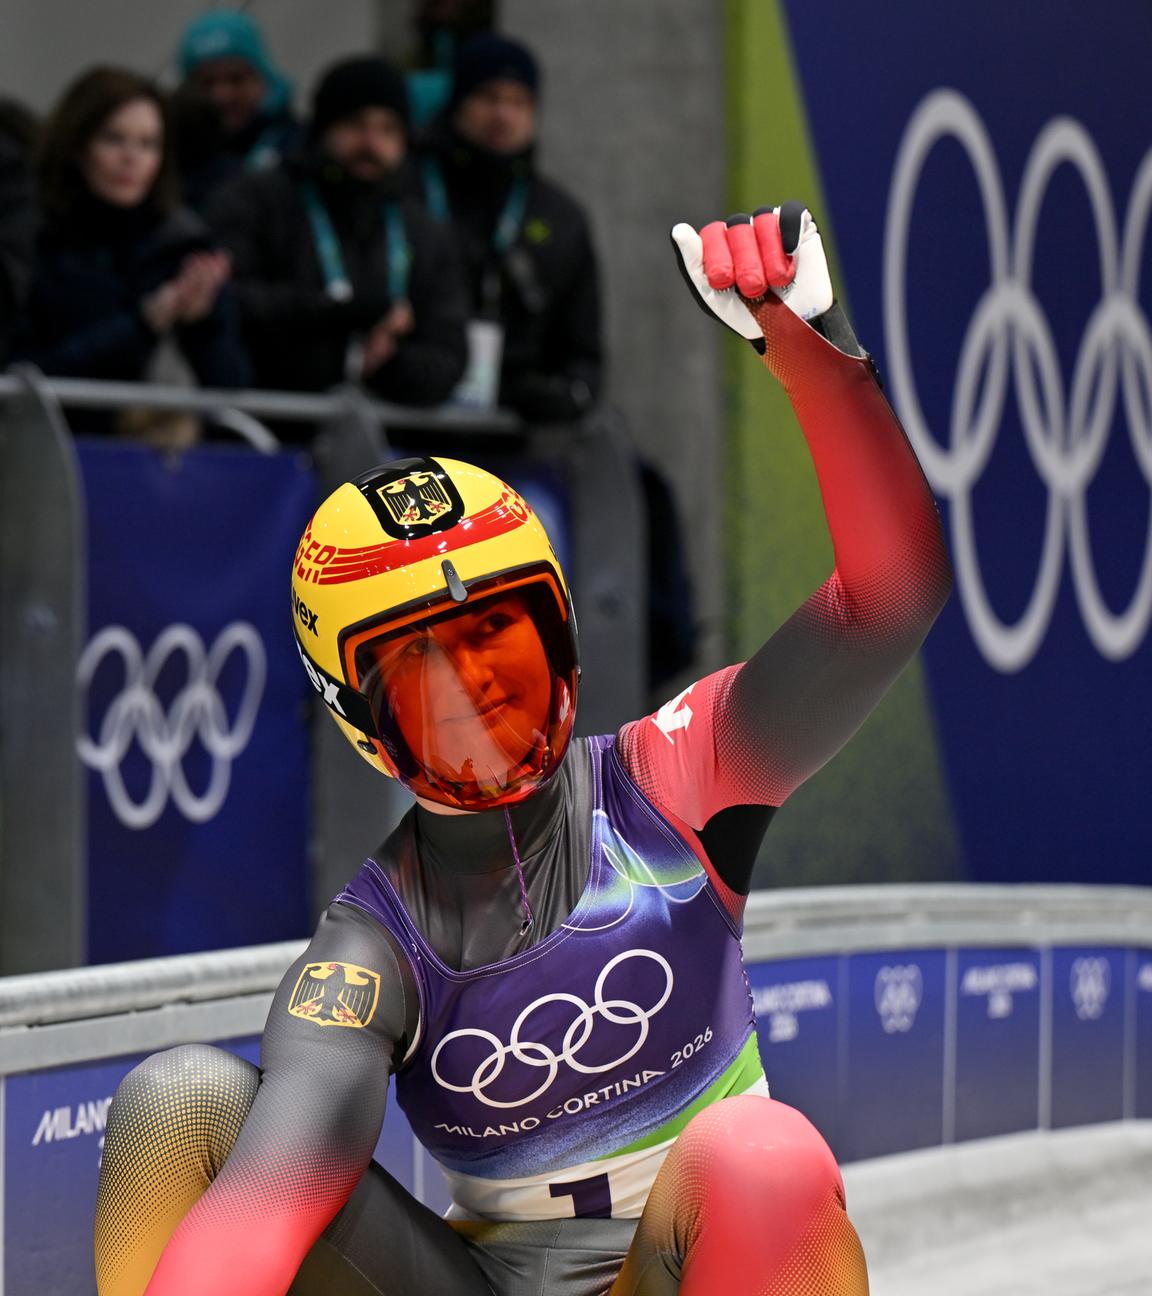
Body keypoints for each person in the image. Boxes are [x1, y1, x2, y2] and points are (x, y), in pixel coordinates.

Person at [95, 202, 952, 1293]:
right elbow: (265, 1203)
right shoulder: (367, 954)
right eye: (426, 672)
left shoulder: (675, 772)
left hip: (687, 1264)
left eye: (498, 635)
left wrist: (812, 354)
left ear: (564, 635)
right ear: (363, 723)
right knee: (180, 1105)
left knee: (761, 1154)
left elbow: (891, 596)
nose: (479, 690)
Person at [205, 55, 467, 413]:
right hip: (267, 424)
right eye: (356, 124)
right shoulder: (256, 201)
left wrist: (389, 367)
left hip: (388, 436)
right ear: (324, 127)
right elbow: (228, 304)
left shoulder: (422, 231)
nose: (371, 143)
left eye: (388, 129)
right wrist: (337, 315)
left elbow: (449, 351)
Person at [14, 67, 248, 395]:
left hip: (163, 426)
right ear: (76, 145)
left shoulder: (182, 244)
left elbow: (233, 391)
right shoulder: (32, 239)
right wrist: (143, 324)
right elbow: (24, 375)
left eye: (148, 144)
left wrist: (202, 323)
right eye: (113, 139)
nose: (131, 158)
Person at [414, 34, 602, 421]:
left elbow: (584, 351)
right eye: (488, 97)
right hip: (403, 416)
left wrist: (564, 395)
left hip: (514, 432)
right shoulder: (409, 189)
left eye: (519, 102)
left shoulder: (560, 217)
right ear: (458, 102)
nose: (503, 115)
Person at [175, 10, 302, 210]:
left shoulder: (300, 147)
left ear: (263, 78)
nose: (222, 96)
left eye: (236, 79)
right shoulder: (171, 160)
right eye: (207, 83)